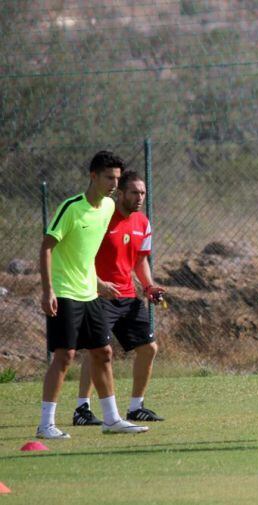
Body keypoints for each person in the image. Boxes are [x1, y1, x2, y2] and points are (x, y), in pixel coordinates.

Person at [38, 151, 149, 439]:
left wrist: (98, 282)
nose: (114, 183)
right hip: (64, 292)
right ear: (93, 176)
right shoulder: (72, 208)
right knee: (65, 356)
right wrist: (48, 289)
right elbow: (47, 247)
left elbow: (84, 254)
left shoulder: (108, 207)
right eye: (108, 177)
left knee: (103, 352)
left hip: (89, 293)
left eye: (116, 178)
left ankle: (112, 419)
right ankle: (46, 424)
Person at [72, 170, 166, 426]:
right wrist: (97, 284)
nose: (139, 197)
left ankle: (136, 407)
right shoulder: (101, 217)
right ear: (121, 193)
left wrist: (148, 286)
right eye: (134, 192)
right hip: (98, 294)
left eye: (143, 193)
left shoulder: (143, 223)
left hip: (127, 296)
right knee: (98, 351)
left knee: (149, 348)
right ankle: (82, 409)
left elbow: (140, 261)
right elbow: (82, 255)